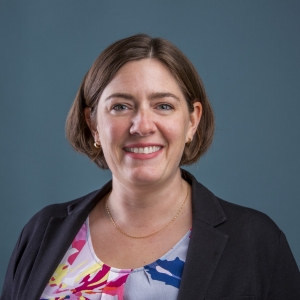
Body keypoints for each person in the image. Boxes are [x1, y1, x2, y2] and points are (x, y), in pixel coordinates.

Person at [1, 34, 300, 300]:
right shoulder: (42, 231)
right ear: (92, 123)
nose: (142, 125)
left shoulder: (256, 241)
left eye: (163, 106)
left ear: (192, 121)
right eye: (120, 106)